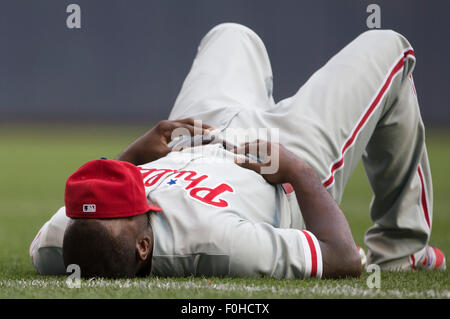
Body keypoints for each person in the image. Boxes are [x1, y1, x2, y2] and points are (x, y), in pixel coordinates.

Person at [29, 23, 445, 279]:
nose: (117, 186)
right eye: (137, 203)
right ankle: (400, 250)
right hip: (278, 162)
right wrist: (297, 169)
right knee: (391, 46)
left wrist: (136, 152)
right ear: (143, 248)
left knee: (231, 34)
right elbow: (341, 259)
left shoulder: (57, 243)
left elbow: (98, 200)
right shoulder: (216, 243)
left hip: (198, 133)